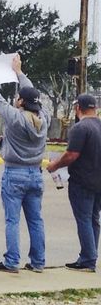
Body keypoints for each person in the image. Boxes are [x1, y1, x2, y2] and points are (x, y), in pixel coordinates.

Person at [0, 54, 50, 273]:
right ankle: (38, 262)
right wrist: (19, 72)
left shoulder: (16, 118)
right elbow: (31, 92)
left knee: (12, 220)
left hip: (15, 173)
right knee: (36, 220)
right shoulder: (43, 118)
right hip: (35, 174)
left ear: (20, 102)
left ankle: (12, 261)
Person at [47, 94, 101, 272]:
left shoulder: (80, 128)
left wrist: (55, 165)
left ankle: (87, 259)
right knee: (94, 219)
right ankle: (90, 255)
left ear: (78, 108)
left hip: (82, 181)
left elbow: (71, 155)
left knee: (84, 219)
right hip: (98, 181)